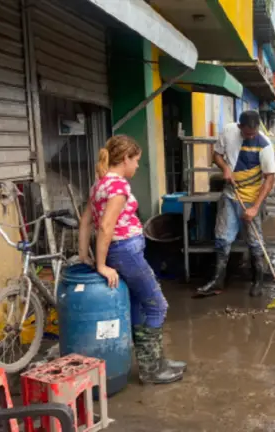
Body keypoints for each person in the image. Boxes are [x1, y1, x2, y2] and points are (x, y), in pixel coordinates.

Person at [78, 135, 186, 385]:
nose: (137, 166)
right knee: (158, 304)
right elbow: (105, 227)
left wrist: (85, 254)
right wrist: (101, 264)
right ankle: (152, 369)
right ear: (125, 159)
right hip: (125, 251)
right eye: (136, 161)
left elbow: (85, 222)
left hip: (122, 250)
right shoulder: (118, 187)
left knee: (139, 305)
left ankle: (156, 361)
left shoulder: (99, 185)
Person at [196, 111, 275, 297]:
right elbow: (216, 155)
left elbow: (270, 179)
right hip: (230, 194)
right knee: (222, 237)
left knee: (255, 242)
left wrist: (255, 208)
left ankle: (258, 281)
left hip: (252, 197)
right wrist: (224, 168)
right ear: (240, 127)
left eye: (254, 132)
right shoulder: (228, 132)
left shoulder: (264, 145)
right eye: (248, 133)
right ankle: (217, 281)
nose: (251, 136)